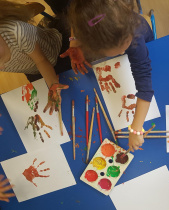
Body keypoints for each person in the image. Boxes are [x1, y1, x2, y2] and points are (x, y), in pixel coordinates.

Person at [57, 0, 154, 151]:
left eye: (123, 48)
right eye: (117, 51)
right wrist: (74, 42)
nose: (122, 53)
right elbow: (76, 23)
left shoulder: (135, 39)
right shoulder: (83, 12)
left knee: (142, 53)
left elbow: (146, 88)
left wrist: (136, 128)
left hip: (143, 41)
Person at [0, 0, 69, 115]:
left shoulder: (16, 32)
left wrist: (53, 85)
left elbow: (41, 60)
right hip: (33, 70)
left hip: (58, 50)